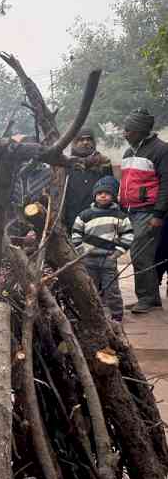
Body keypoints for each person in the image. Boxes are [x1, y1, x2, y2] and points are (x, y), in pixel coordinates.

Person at [120, 109, 168, 313]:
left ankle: (147, 298)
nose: (125, 133)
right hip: (131, 211)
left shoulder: (161, 150)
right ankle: (149, 297)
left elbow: (167, 183)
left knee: (141, 255)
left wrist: (158, 214)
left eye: (128, 130)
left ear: (141, 131)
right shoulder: (129, 152)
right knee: (140, 255)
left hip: (149, 211)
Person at [71, 177, 133, 322]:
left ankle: (117, 315)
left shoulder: (120, 216)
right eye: (100, 193)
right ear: (95, 196)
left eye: (107, 193)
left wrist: (118, 253)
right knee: (90, 289)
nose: (103, 196)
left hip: (109, 259)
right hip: (88, 259)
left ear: (113, 196)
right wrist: (81, 251)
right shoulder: (85, 215)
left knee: (111, 289)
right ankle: (93, 315)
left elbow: (128, 235)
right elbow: (75, 233)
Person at [62, 128, 113, 232]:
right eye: (81, 140)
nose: (85, 142)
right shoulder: (66, 164)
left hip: (98, 217)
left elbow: (111, 190)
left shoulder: (103, 163)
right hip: (72, 217)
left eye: (89, 139)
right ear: (74, 143)